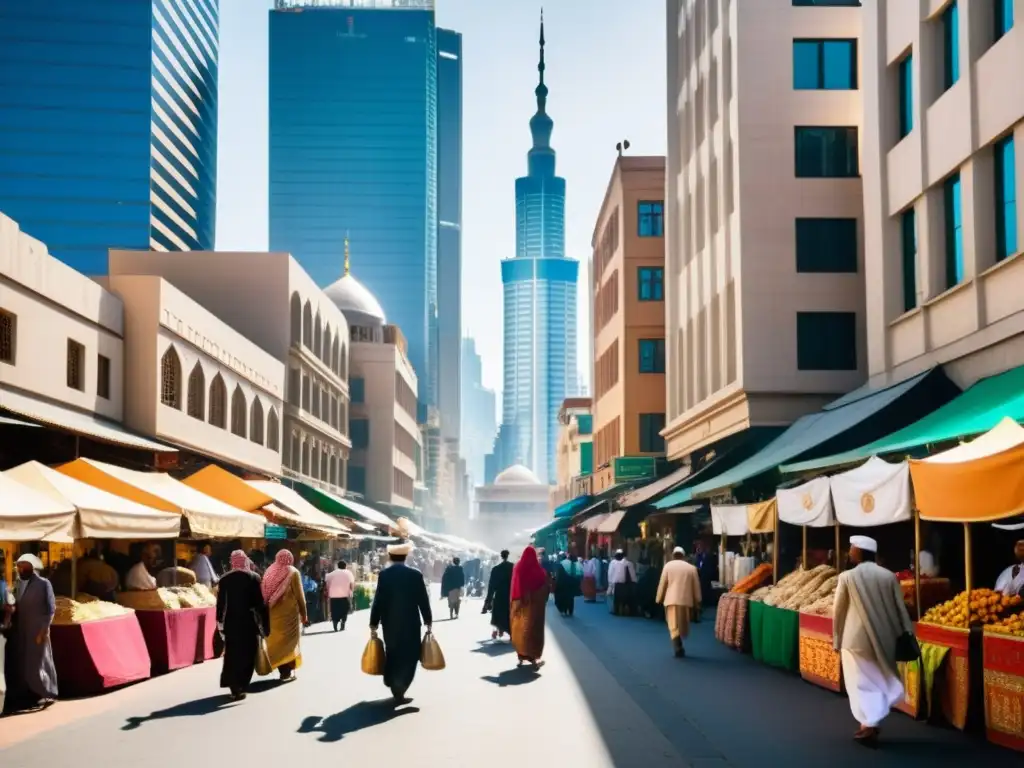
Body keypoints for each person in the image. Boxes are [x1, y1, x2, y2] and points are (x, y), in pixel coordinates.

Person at [833, 535, 914, 746]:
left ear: (859, 552)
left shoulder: (847, 577)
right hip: (884, 638)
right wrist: (907, 632)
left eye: (852, 548)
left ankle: (868, 724)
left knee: (858, 683)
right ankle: (871, 722)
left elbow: (838, 611)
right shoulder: (888, 576)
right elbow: (900, 608)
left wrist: (836, 639)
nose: (849, 551)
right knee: (876, 679)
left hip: (854, 640)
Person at [369, 541, 433, 702]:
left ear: (390, 557)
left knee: (393, 652)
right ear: (405, 557)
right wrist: (428, 620)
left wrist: (374, 622)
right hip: (411, 622)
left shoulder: (384, 575)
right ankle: (401, 686)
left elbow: (379, 600)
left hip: (390, 622)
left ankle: (392, 680)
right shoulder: (415, 574)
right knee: (411, 654)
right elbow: (423, 600)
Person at [216, 550, 269, 701]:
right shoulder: (253, 577)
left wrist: (219, 620)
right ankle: (242, 685)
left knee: (232, 654)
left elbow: (220, 604)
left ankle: (234, 686)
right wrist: (265, 625)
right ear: (245, 561)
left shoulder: (225, 579)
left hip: (231, 623)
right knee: (248, 654)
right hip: (249, 622)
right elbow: (260, 604)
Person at [6, 554, 58, 711]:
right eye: (19, 567)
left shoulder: (44, 584)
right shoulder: (18, 584)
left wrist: (44, 629)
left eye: (24, 567)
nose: (21, 570)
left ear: (32, 567)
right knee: (24, 663)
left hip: (38, 630)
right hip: (22, 629)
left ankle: (47, 692)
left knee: (39, 663)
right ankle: (30, 694)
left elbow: (51, 609)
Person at [261, 550, 308, 681]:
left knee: (277, 643)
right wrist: (304, 614)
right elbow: (300, 596)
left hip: (272, 616)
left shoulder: (269, 571)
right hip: (289, 616)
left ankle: (283, 670)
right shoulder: (293, 572)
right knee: (290, 644)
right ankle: (287, 672)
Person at [656, 547, 701, 658]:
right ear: (683, 556)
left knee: (673, 625)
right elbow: (696, 587)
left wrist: (659, 598)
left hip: (671, 600)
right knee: (683, 623)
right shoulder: (691, 568)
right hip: (686, 601)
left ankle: (677, 645)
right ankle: (679, 643)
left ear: (673, 555)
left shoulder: (667, 566)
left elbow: (663, 584)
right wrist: (698, 601)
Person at [510, 546, 549, 667]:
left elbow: (515, 585)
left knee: (521, 629)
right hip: (535, 607)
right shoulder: (538, 570)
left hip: (521, 603)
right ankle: (533, 656)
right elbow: (545, 586)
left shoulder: (518, 568)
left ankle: (521, 654)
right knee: (534, 630)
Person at [484, 549, 513, 640]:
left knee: (499, 613)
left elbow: (491, 586)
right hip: (511, 595)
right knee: (510, 614)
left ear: (501, 556)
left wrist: (488, 600)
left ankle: (498, 629)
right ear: (508, 556)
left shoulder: (496, 569)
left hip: (500, 595)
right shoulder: (514, 568)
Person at [325, 560, 354, 631]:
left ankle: (335, 622)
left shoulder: (332, 573)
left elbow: (326, 581)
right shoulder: (349, 573)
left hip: (333, 596)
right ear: (345, 566)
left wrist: (328, 591)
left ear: (337, 566)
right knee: (345, 610)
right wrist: (351, 592)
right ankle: (343, 623)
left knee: (334, 610)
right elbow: (352, 584)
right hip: (344, 596)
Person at [607, 550, 637, 616]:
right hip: (628, 585)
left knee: (616, 599)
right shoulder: (629, 563)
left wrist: (610, 584)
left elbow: (610, 574)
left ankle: (616, 610)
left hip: (617, 584)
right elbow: (633, 576)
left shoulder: (613, 563)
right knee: (628, 599)